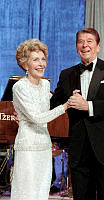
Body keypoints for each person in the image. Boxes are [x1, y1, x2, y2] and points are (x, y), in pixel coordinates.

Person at [50, 28, 104, 200]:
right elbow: (53, 105)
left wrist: (88, 106)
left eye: (89, 41)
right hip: (79, 150)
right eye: (80, 41)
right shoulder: (66, 74)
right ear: (76, 47)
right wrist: (68, 101)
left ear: (98, 46)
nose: (84, 45)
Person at [11, 39, 68, 200]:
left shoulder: (45, 85)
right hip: (27, 146)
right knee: (26, 192)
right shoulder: (20, 87)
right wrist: (64, 107)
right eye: (35, 59)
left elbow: (45, 113)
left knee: (42, 192)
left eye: (43, 59)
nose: (41, 63)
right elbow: (36, 117)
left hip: (44, 145)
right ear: (25, 64)